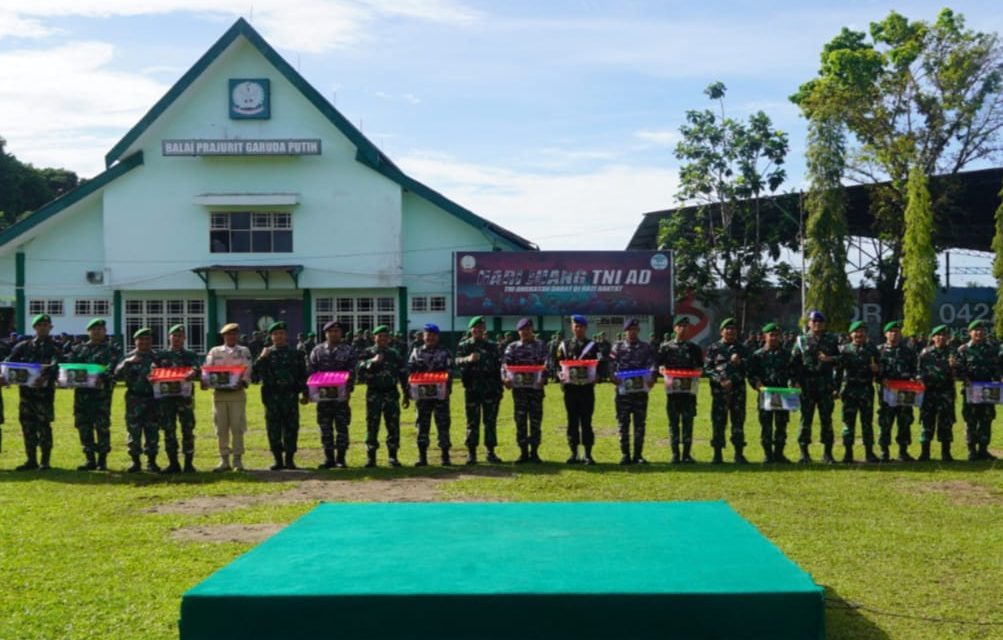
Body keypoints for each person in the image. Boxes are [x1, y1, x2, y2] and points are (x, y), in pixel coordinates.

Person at [4, 314, 60, 471]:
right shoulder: (24, 346)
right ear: (35, 328)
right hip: (26, 395)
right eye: (40, 325)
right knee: (27, 427)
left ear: (50, 327)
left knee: (44, 427)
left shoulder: (55, 346)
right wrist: (5, 375)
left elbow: (57, 364)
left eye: (46, 325)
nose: (43, 327)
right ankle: (31, 460)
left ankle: (45, 461)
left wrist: (45, 376)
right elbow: (9, 362)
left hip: (44, 395)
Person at [252, 321, 308, 470]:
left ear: (286, 335)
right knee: (273, 429)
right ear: (271, 336)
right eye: (275, 334)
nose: (279, 336)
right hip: (272, 397)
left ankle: (289, 459)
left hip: (290, 396)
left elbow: (303, 375)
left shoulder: (295, 354)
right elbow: (254, 375)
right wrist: (262, 358)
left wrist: (305, 393)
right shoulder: (266, 354)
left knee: (291, 428)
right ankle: (277, 459)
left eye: (281, 333)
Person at [69, 318, 122, 471]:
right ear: (88, 332)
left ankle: (102, 460)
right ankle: (89, 458)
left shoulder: (112, 349)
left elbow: (114, 368)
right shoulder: (78, 349)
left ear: (105, 331)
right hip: (82, 395)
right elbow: (71, 368)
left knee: (102, 426)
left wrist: (104, 376)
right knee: (83, 426)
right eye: (94, 329)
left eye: (100, 329)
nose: (97, 331)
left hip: (102, 396)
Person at [791, 310, 840, 463]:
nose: (817, 324)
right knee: (805, 420)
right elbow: (794, 363)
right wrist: (795, 381)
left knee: (826, 420)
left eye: (820, 322)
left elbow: (841, 360)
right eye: (814, 321)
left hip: (825, 385)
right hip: (807, 386)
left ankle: (828, 453)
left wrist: (829, 359)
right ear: (809, 323)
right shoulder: (801, 340)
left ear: (824, 324)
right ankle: (804, 453)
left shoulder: (832, 340)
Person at [357, 325, 409, 467]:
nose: (383, 339)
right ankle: (371, 457)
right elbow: (358, 369)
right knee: (372, 425)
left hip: (391, 392)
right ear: (374, 338)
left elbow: (403, 373)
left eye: (386, 336)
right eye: (380, 336)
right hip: (374, 392)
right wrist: (371, 362)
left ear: (389, 338)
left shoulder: (394, 353)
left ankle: (393, 456)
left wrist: (406, 392)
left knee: (393, 424)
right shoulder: (367, 352)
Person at [308, 320, 357, 469]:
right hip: (323, 398)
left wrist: (349, 389)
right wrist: (310, 392)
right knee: (325, 428)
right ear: (325, 334)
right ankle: (329, 458)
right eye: (330, 331)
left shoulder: (348, 350)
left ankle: (341, 459)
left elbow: (353, 371)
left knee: (342, 427)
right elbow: (310, 371)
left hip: (341, 397)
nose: (334, 334)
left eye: (337, 331)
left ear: (341, 333)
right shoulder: (317, 351)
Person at [203, 323, 252, 471]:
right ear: (223, 336)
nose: (231, 337)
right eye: (228, 334)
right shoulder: (215, 351)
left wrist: (242, 381)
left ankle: (237, 459)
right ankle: (224, 460)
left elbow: (248, 369)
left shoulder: (244, 351)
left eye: (234, 334)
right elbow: (208, 369)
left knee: (237, 427)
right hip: (219, 395)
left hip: (236, 394)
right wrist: (205, 380)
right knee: (221, 428)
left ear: (237, 336)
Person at [455, 316, 504, 464]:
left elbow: (499, 367)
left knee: (490, 421)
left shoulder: (493, 346)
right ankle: (472, 453)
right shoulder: (464, 345)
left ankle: (490, 451)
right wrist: (467, 359)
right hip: (472, 389)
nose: (478, 330)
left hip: (490, 389)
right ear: (471, 330)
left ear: (484, 329)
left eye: (481, 327)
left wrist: (500, 388)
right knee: (472, 422)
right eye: (475, 328)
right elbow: (456, 361)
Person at [704, 317, 751, 464]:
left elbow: (751, 367)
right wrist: (720, 380)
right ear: (721, 332)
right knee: (718, 422)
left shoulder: (743, 349)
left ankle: (739, 453)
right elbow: (707, 369)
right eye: (727, 329)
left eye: (733, 329)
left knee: (738, 422)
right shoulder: (713, 348)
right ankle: (717, 454)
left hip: (738, 392)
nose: (730, 331)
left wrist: (741, 362)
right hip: (719, 393)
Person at [155, 324, 201, 473]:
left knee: (187, 430)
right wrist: (152, 376)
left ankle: (189, 464)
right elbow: (152, 371)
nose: (177, 339)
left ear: (185, 338)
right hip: (166, 400)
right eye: (174, 336)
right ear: (169, 337)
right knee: (169, 431)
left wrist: (194, 372)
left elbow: (198, 368)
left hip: (184, 399)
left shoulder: (190, 355)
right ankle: (173, 463)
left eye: (180, 336)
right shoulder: (160, 355)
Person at [610, 318, 657, 465]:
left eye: (635, 330)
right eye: (630, 330)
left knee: (640, 424)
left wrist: (653, 377)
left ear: (638, 331)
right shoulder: (617, 347)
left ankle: (638, 455)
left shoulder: (645, 347)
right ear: (625, 331)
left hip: (640, 393)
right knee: (623, 424)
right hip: (623, 393)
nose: (632, 332)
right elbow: (610, 364)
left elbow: (653, 364)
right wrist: (612, 377)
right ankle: (625, 454)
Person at [657, 315, 703, 463]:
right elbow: (659, 365)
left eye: (686, 326)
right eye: (680, 326)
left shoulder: (694, 348)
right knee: (673, 423)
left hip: (689, 392)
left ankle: (687, 454)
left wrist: (698, 372)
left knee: (688, 423)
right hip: (673, 393)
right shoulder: (666, 347)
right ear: (675, 328)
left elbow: (700, 367)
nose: (683, 329)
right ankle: (675, 454)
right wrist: (662, 369)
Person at [502, 317, 549, 463]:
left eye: (528, 329)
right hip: (520, 392)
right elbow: (504, 365)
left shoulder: (541, 345)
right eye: (523, 330)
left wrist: (544, 378)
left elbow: (547, 364)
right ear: (519, 331)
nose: (526, 332)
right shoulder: (512, 347)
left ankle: (534, 452)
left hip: (536, 390)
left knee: (535, 421)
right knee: (520, 421)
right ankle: (523, 452)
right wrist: (505, 379)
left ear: (532, 330)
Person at [555, 314, 600, 465]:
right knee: (572, 421)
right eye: (576, 326)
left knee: (586, 421)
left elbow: (601, 364)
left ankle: (588, 454)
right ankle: (574, 453)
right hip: (570, 389)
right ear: (572, 327)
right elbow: (555, 364)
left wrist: (598, 376)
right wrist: (558, 374)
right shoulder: (564, 345)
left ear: (586, 328)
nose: (578, 329)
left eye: (581, 326)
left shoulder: (593, 346)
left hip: (586, 389)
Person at [408, 323, 454, 466]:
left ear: (437, 337)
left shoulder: (445, 352)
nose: (430, 337)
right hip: (422, 396)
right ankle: (422, 457)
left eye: (433, 335)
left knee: (443, 424)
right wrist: (408, 390)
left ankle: (445, 456)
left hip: (440, 395)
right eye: (428, 334)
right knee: (422, 425)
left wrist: (448, 388)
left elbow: (451, 371)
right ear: (423, 336)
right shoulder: (416, 352)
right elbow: (410, 371)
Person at [114, 328, 160, 472]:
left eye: (148, 339)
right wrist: (128, 363)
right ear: (135, 341)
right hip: (134, 398)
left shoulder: (157, 357)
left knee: (152, 430)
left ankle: (152, 462)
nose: (145, 342)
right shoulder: (128, 357)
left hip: (153, 399)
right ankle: (135, 462)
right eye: (141, 339)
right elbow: (116, 374)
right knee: (134, 431)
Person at [835, 321, 880, 463]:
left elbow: (881, 369)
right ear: (851, 334)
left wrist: (877, 369)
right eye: (856, 332)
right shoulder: (845, 350)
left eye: (862, 332)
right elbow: (839, 372)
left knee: (867, 422)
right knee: (848, 422)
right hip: (850, 389)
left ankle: (869, 453)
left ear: (866, 334)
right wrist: (836, 388)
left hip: (866, 389)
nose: (859, 335)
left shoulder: (872, 350)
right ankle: (848, 453)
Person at [748, 323, 793, 463]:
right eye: (770, 335)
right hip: (766, 394)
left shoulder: (786, 354)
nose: (773, 338)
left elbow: (794, 371)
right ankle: (768, 454)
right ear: (764, 336)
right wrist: (756, 383)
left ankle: (779, 454)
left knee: (781, 425)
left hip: (782, 393)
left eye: (776, 335)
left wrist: (795, 382)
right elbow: (751, 374)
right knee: (766, 425)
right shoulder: (757, 355)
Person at [955, 319, 998, 461]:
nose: (979, 332)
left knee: (986, 419)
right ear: (970, 333)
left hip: (988, 389)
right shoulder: (963, 350)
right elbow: (958, 369)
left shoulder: (991, 349)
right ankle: (972, 450)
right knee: (971, 420)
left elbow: (996, 368)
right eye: (975, 330)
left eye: (981, 330)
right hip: (971, 390)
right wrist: (964, 377)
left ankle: (984, 450)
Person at [876, 320, 917, 462]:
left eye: (897, 331)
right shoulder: (879, 351)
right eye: (891, 331)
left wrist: (915, 380)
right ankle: (884, 451)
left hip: (905, 390)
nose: (894, 334)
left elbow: (915, 370)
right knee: (885, 421)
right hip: (887, 392)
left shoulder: (908, 352)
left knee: (904, 420)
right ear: (885, 334)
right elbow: (873, 372)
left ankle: (903, 451)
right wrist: (880, 378)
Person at [917, 324, 957, 462]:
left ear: (948, 337)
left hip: (946, 393)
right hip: (929, 393)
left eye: (944, 335)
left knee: (946, 423)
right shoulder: (925, 353)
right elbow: (918, 372)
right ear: (933, 337)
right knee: (927, 423)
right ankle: (924, 453)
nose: (941, 337)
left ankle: (946, 453)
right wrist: (919, 380)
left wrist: (954, 368)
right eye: (938, 335)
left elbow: (961, 373)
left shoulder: (953, 353)